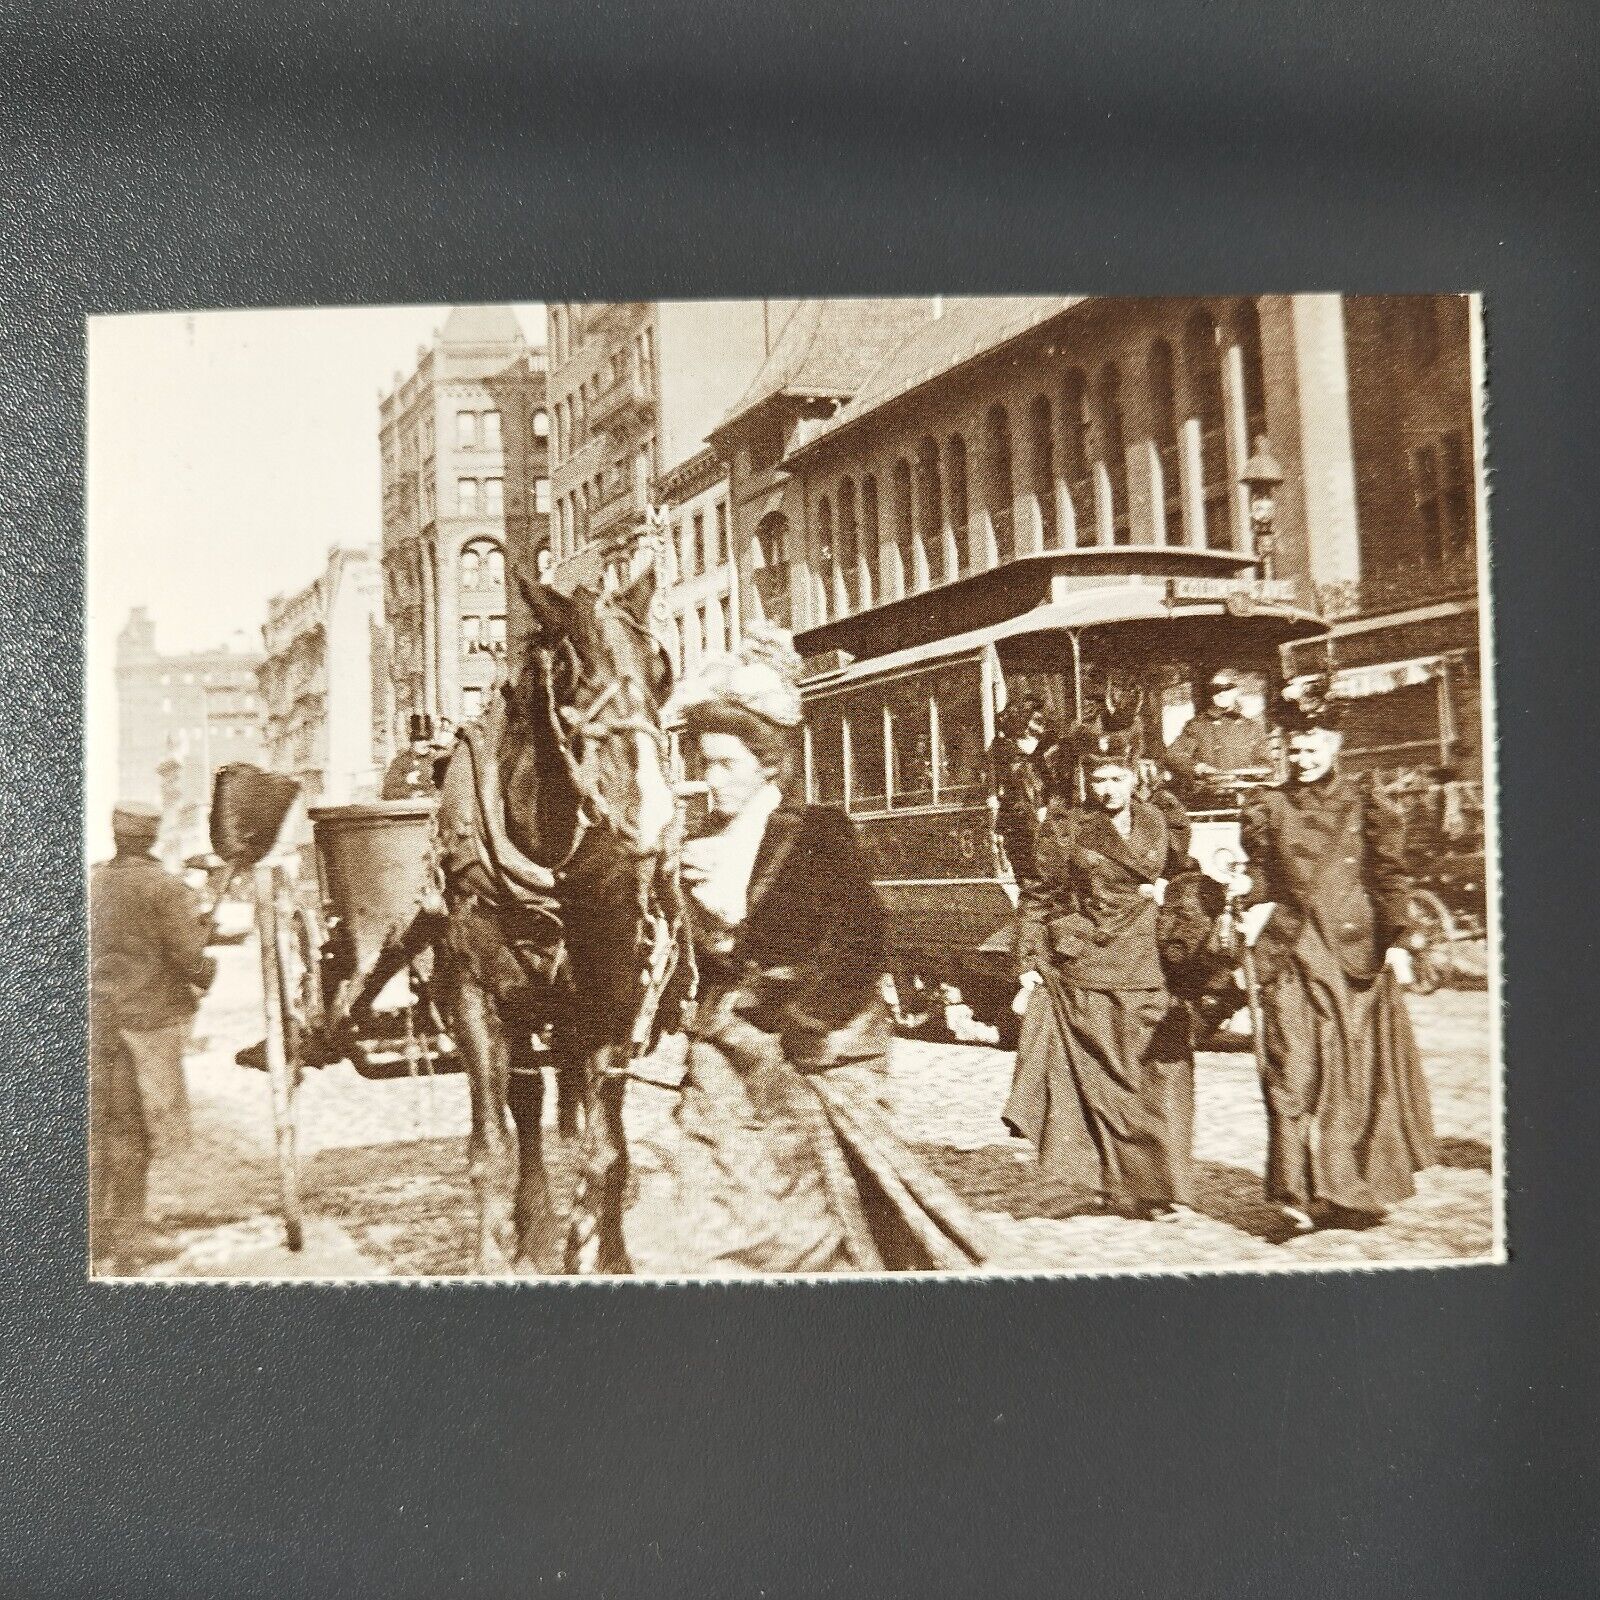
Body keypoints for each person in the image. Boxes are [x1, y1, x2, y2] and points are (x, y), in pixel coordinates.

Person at [626, 627, 988, 1274]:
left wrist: (807, 1018)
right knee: (695, 1199)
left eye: (726, 764)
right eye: (705, 764)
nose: (712, 781)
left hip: (808, 1050)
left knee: (814, 1217)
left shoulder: (816, 833)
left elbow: (862, 939)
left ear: (767, 764)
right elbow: (698, 959)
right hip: (724, 1057)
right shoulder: (701, 845)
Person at [1237, 679, 1437, 1230]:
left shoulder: (1365, 798)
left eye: (1312, 747)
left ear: (1335, 745)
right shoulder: (1268, 806)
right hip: (1292, 950)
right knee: (1291, 1068)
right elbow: (1263, 875)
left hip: (1354, 953)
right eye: (1293, 749)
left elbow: (1389, 874)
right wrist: (1249, 899)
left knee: (1351, 1076)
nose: (1301, 758)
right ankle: (1295, 1192)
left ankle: (1350, 1188)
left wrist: (1398, 941)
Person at [1002, 724, 1196, 1220]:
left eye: (1116, 778)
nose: (1107, 788)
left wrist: (1173, 899)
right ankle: (1125, 1187)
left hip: (1150, 962)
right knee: (1106, 1082)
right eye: (1098, 779)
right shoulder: (1067, 829)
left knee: (1149, 1077)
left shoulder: (1160, 823)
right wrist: (1030, 962)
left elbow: (1186, 875)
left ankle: (1154, 1184)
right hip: (1088, 965)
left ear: (1134, 778)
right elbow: (1040, 896)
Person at [89, 800, 217, 1272]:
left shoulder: (96, 881)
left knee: (101, 1125)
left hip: (97, 1019)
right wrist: (207, 964)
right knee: (135, 1127)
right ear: (153, 837)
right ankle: (129, 1232)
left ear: (117, 834)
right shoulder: (164, 889)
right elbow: (187, 959)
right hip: (144, 1023)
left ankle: (96, 1229)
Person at [1163, 668, 1275, 804]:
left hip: (1246, 799)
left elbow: (1266, 764)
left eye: (1227, 687)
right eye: (1215, 688)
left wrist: (1254, 774)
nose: (1221, 693)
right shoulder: (1198, 725)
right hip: (1208, 797)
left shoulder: (1251, 727)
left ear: (1237, 690)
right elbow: (1173, 755)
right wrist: (1197, 768)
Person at [987, 697, 1054, 885]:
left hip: (1044, 818)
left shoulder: (1046, 747)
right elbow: (1020, 787)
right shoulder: (1006, 750)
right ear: (1023, 722)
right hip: (1024, 820)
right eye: (1037, 720)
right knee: (1033, 878)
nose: (1043, 723)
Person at [382, 712, 439, 799]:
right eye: (420, 740)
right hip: (412, 808)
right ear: (412, 742)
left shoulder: (437, 760)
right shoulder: (400, 762)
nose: (425, 743)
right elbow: (387, 791)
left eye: (427, 739)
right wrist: (409, 793)